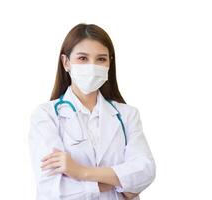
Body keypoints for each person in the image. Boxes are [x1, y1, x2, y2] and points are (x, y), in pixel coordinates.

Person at [28, 23, 156, 200]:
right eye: (83, 58)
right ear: (66, 62)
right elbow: (53, 190)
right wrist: (119, 183)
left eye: (101, 59)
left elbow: (145, 171)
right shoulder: (46, 115)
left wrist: (81, 172)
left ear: (110, 63)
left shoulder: (127, 115)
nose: (92, 66)